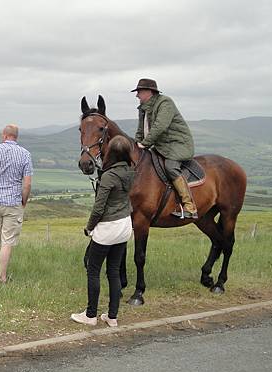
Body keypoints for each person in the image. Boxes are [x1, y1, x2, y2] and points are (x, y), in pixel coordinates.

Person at [71, 135, 135, 327]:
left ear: (111, 153)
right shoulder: (131, 171)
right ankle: (112, 317)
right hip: (125, 224)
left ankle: (90, 315)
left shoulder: (109, 176)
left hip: (108, 227)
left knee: (93, 269)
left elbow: (99, 208)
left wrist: (89, 227)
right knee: (113, 271)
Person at [132, 78, 198, 219]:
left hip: (177, 144)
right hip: (161, 146)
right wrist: (136, 147)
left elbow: (160, 127)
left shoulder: (165, 103)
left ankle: (189, 206)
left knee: (170, 167)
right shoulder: (143, 109)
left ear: (149, 92)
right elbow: (140, 130)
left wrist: (145, 144)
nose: (137, 95)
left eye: (139, 92)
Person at [0, 124, 33, 283]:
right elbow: (27, 184)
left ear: (4, 135)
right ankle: (2, 277)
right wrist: (23, 200)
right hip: (13, 202)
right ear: (16, 136)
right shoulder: (25, 154)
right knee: (7, 241)